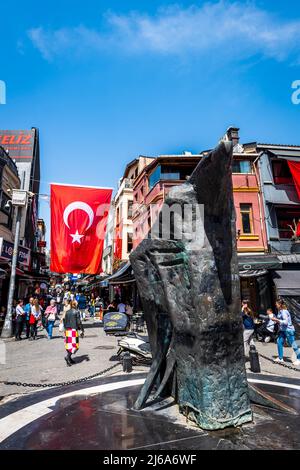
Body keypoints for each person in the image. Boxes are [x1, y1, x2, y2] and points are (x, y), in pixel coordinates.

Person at [273, 301, 300, 366]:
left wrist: (277, 320)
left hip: (288, 330)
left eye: (276, 304)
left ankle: (299, 358)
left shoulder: (284, 312)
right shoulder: (280, 311)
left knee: (293, 344)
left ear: (280, 305)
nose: (275, 305)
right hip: (283, 330)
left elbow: (285, 322)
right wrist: (276, 321)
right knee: (279, 342)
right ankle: (280, 358)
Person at [63, 300, 84, 366]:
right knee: (75, 346)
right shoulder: (76, 312)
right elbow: (79, 322)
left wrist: (65, 329)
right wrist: (82, 330)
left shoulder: (67, 312)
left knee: (69, 345)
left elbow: (65, 321)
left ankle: (69, 358)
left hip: (67, 329)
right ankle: (68, 357)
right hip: (73, 330)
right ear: (75, 304)